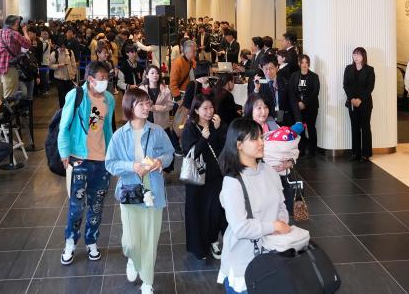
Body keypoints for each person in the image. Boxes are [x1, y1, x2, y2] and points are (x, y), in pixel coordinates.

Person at [105, 88, 174, 294]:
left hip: (153, 191)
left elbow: (169, 153)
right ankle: (132, 259)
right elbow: (110, 164)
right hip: (129, 191)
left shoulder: (157, 131)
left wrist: (160, 161)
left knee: (150, 240)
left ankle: (147, 281)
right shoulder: (119, 135)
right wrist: (132, 166)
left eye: (147, 103)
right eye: (140, 104)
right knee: (131, 242)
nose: (146, 107)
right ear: (129, 106)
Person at [217, 118, 290, 294]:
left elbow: (281, 206)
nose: (261, 142)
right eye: (254, 138)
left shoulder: (269, 171)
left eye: (261, 137)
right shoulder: (233, 182)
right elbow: (241, 228)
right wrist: (274, 226)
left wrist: (280, 224)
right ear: (239, 145)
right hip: (243, 261)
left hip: (272, 253)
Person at [58, 61, 115, 265]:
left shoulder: (109, 99)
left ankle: (92, 241)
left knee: (97, 205)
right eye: (101, 78)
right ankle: (70, 243)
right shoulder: (76, 95)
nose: (105, 82)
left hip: (101, 160)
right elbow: (64, 126)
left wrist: (111, 154)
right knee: (76, 206)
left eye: (107, 78)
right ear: (90, 79)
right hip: (79, 158)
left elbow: (106, 128)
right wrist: (64, 152)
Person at [181, 95, 227, 260]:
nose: (209, 112)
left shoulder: (217, 125)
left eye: (211, 107)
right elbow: (189, 153)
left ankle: (214, 240)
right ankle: (199, 247)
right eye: (205, 108)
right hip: (197, 179)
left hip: (215, 177)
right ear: (196, 110)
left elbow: (223, 149)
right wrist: (203, 138)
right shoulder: (190, 128)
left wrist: (218, 130)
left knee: (216, 212)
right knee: (198, 213)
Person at [343, 47, 375, 162]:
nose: (356, 57)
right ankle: (355, 153)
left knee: (365, 127)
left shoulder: (369, 69)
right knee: (354, 127)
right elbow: (345, 85)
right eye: (354, 54)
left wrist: (360, 99)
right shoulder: (348, 68)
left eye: (358, 55)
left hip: (365, 103)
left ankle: (366, 154)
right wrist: (352, 99)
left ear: (363, 56)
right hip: (352, 103)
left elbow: (370, 87)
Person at [0, 15, 31, 100]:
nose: (19, 25)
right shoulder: (15, 34)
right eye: (18, 23)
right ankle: (7, 109)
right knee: (9, 98)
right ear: (15, 23)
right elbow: (28, 44)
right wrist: (25, 32)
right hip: (9, 69)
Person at [248, 55, 296, 126]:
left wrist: (299, 120)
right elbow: (252, 102)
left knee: (281, 131)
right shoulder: (257, 82)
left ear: (277, 68)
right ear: (261, 68)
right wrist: (256, 89)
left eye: (271, 68)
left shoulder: (285, 82)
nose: (268, 72)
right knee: (272, 131)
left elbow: (293, 102)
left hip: (282, 115)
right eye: (265, 69)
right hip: (267, 117)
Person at [289, 55, 320, 157]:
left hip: (311, 106)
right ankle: (301, 149)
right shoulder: (294, 76)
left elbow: (315, 92)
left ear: (309, 64)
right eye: (302, 62)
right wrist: (298, 103)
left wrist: (304, 103)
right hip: (297, 107)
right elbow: (291, 91)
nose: (304, 65)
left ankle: (312, 151)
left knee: (311, 128)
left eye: (306, 62)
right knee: (300, 128)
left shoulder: (314, 76)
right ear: (299, 63)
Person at [49, 37, 77, 108]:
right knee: (61, 96)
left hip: (69, 78)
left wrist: (73, 74)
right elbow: (50, 65)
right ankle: (62, 110)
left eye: (64, 46)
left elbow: (73, 64)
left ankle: (69, 110)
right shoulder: (54, 53)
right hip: (59, 78)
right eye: (61, 47)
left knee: (69, 96)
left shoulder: (70, 52)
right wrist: (58, 65)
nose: (62, 48)